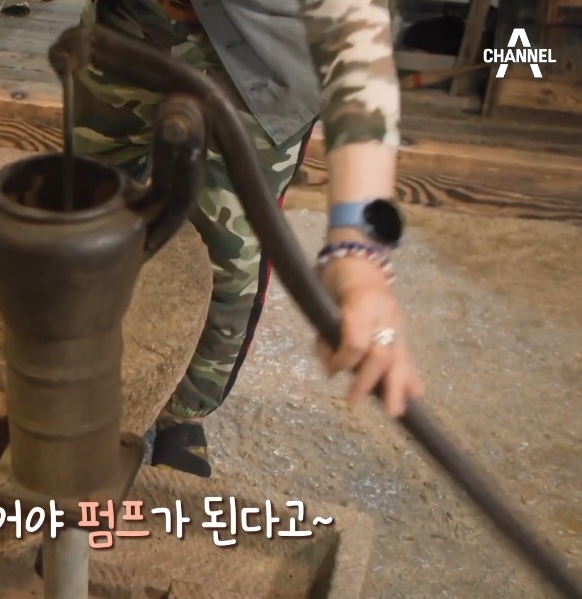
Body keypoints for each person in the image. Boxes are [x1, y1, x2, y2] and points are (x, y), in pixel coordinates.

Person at [70, 0, 425, 477]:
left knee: (229, 257)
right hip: (126, 20)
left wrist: (358, 251)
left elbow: (354, 30)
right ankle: (80, 376)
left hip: (258, 55)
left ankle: (184, 412)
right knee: (85, 219)